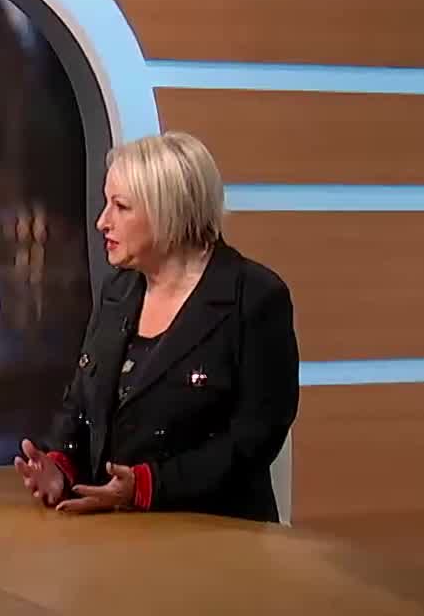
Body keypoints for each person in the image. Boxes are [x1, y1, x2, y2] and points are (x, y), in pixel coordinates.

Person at [16, 132, 298, 522]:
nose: (102, 222)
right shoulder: (118, 290)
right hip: (115, 534)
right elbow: (81, 404)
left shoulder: (254, 297)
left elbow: (254, 438)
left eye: (121, 207)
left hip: (218, 535)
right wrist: (60, 466)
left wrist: (148, 486)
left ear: (169, 212)